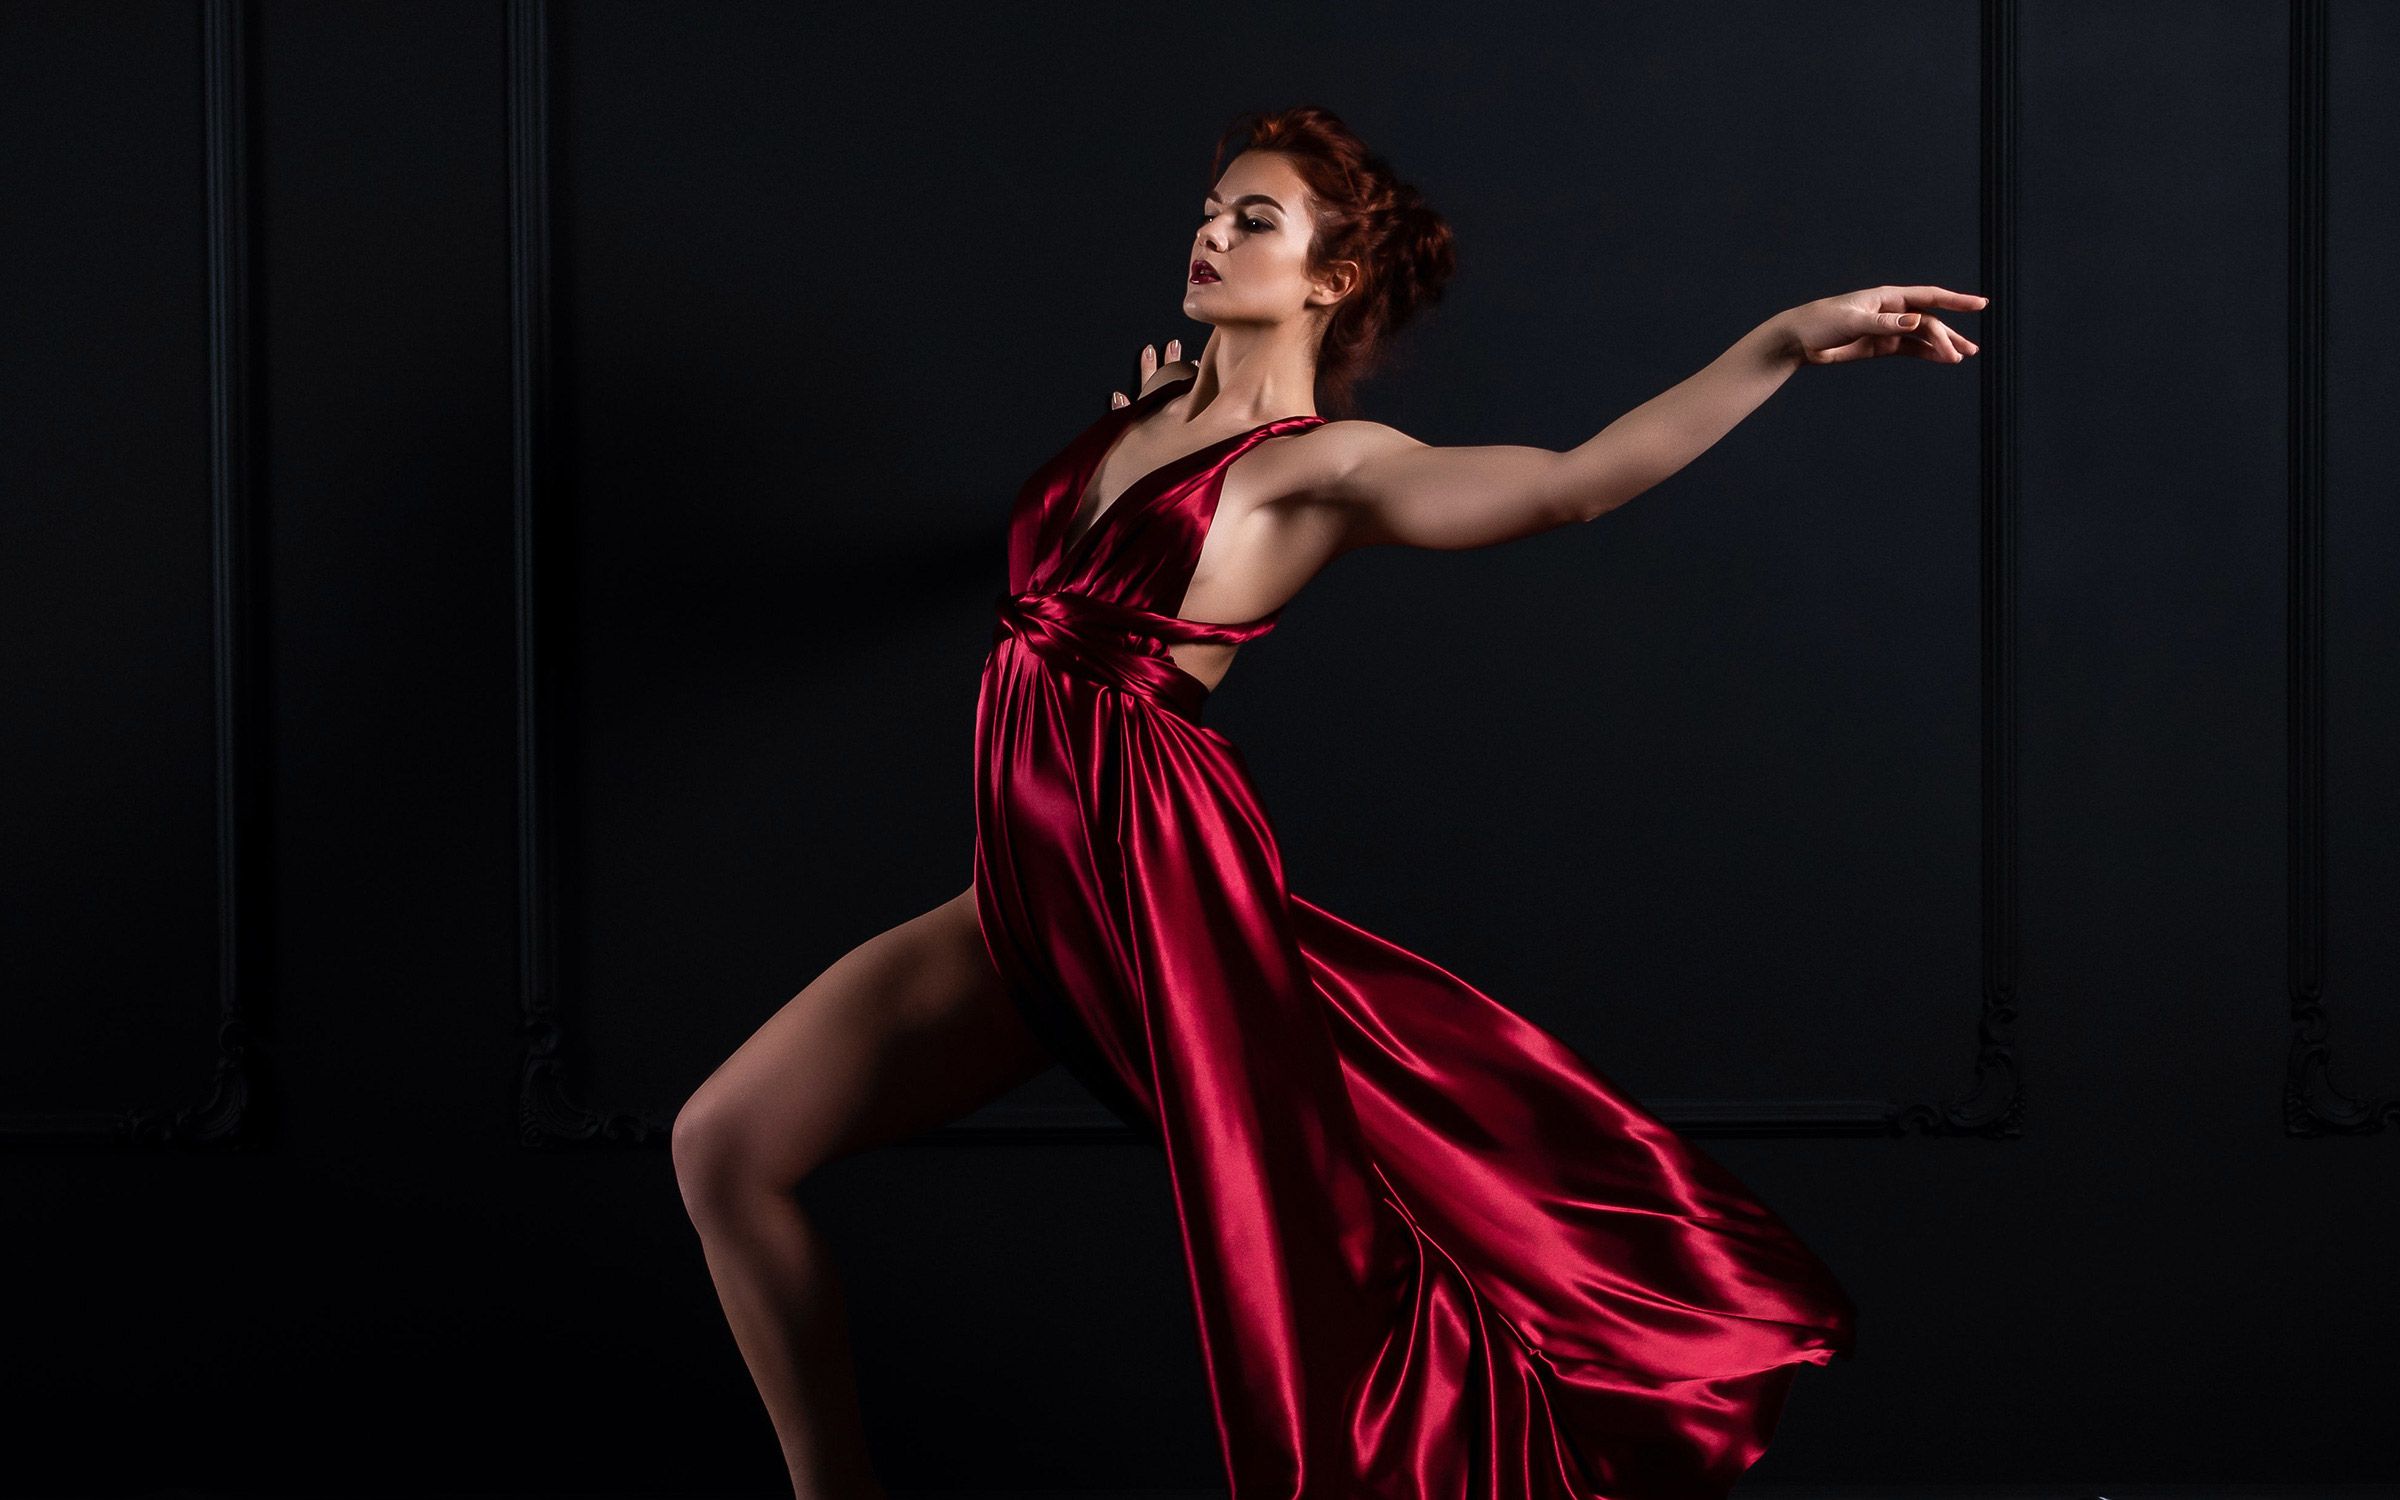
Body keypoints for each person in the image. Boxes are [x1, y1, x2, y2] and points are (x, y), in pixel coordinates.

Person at [671, 103, 1984, 1500]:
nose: (1211, 234)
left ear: (1331, 278)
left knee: (1324, 1236)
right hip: (1026, 900)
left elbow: (1571, 487)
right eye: (1210, 211)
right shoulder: (1150, 416)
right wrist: (1145, 427)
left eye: (1256, 220)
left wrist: (1781, 342)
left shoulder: (1324, 469)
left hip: (1150, 884)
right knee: (725, 1149)